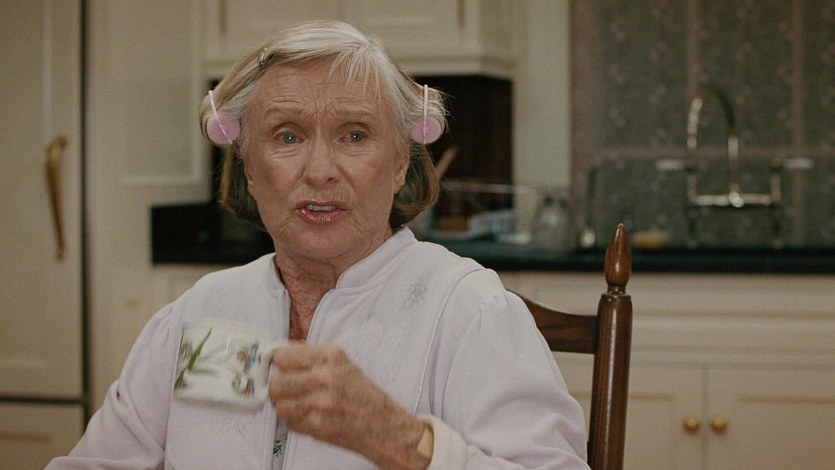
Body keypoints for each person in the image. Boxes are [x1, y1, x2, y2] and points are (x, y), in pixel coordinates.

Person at [47, 20, 589, 469]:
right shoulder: (202, 314)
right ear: (249, 168)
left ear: (400, 162)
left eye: (355, 135)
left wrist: (406, 443)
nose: (320, 170)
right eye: (287, 136)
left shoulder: (468, 311)